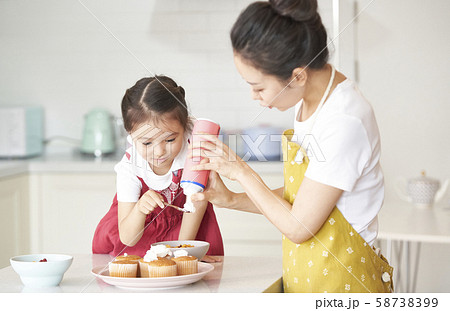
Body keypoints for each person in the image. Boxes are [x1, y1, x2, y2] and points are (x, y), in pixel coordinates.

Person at [189, 0, 393, 292]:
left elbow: (299, 226)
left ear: (297, 76)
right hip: (311, 280)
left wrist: (242, 172)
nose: (253, 96)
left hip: (345, 284)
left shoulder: (344, 120)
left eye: (258, 87)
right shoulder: (311, 99)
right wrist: (232, 199)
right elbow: (303, 196)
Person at [92, 75, 224, 260]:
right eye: (147, 143)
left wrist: (182, 253)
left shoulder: (194, 147)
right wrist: (139, 210)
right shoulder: (130, 168)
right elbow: (128, 238)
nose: (160, 151)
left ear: (184, 126)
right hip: (140, 240)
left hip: (189, 233)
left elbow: (198, 202)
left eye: (170, 140)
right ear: (131, 134)